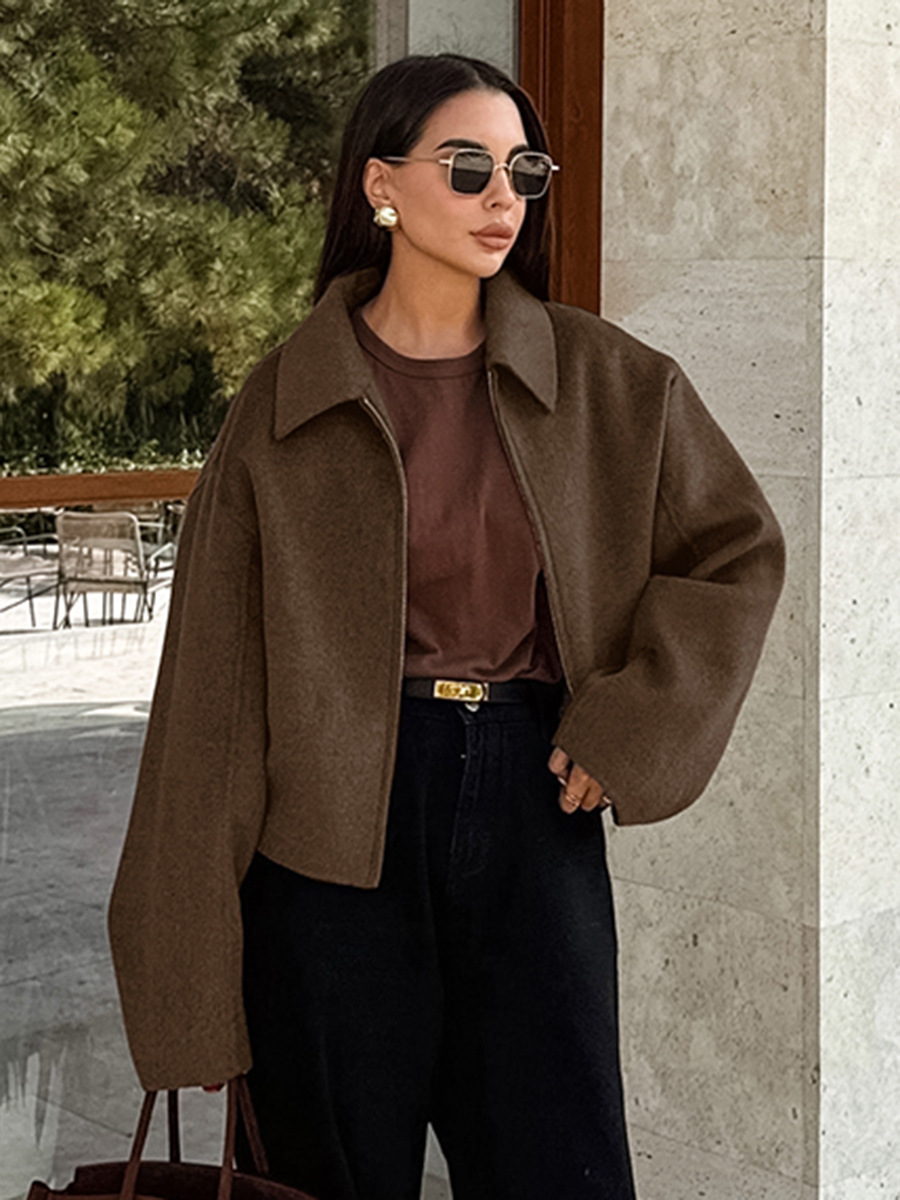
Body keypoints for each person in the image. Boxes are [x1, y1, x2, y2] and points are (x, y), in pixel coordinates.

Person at [108, 53, 785, 1200]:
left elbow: (736, 552)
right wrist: (188, 986)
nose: (502, 197)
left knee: (562, 1171)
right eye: (467, 168)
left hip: (534, 808)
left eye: (523, 170)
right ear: (381, 185)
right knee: (330, 1178)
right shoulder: (283, 406)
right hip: (328, 851)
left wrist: (631, 726)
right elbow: (208, 701)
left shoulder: (608, 382)